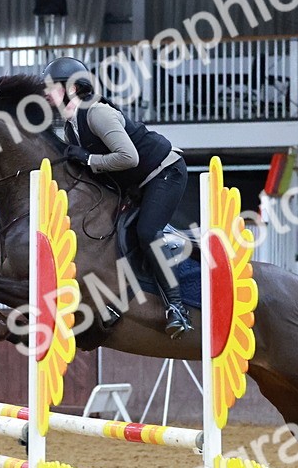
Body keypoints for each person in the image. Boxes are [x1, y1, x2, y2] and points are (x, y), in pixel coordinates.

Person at [41, 56, 192, 338]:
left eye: (51, 86)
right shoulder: (70, 126)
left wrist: (87, 158)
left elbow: (128, 157)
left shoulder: (97, 113)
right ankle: (121, 299)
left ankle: (177, 308)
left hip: (165, 172)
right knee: (119, 233)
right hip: (137, 184)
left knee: (146, 232)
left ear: (71, 88)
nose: (46, 93)